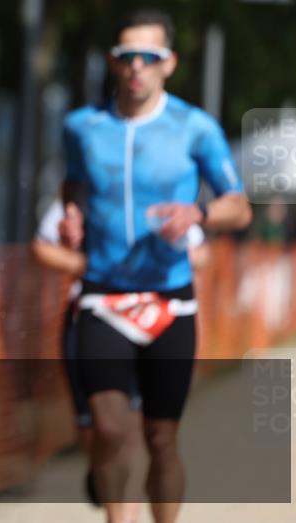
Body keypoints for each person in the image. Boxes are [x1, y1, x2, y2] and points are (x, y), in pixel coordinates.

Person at [58, 9, 252, 523]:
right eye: (128, 56)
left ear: (170, 63)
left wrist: (200, 212)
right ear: (114, 63)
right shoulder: (83, 127)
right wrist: (73, 211)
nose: (138, 66)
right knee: (111, 428)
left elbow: (240, 205)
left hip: (171, 299)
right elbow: (73, 183)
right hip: (104, 296)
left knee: (162, 438)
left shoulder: (195, 128)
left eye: (151, 56)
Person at [33, 198, 208, 512]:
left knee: (142, 430)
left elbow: (202, 249)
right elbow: (42, 245)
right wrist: (89, 265)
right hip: (94, 315)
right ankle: (105, 473)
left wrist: (163, 262)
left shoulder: (165, 191)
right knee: (101, 432)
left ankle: (126, 512)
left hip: (154, 319)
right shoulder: (87, 178)